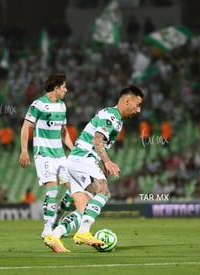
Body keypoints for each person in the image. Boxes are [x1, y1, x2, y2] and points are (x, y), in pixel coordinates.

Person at [44, 85, 144, 253]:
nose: (139, 110)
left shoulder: (116, 120)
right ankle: (83, 232)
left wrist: (101, 162)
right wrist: (107, 161)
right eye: (138, 104)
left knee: (84, 210)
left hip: (77, 161)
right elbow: (97, 139)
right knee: (104, 192)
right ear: (127, 100)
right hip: (83, 159)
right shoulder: (112, 116)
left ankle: (54, 236)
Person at [19, 74, 74, 238]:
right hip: (43, 153)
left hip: (59, 154)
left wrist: (74, 149)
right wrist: (23, 150)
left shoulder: (62, 106)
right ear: (56, 88)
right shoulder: (38, 104)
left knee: (74, 190)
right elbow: (25, 127)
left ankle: (56, 222)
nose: (66, 90)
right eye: (64, 87)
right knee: (52, 189)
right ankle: (47, 229)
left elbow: (64, 133)